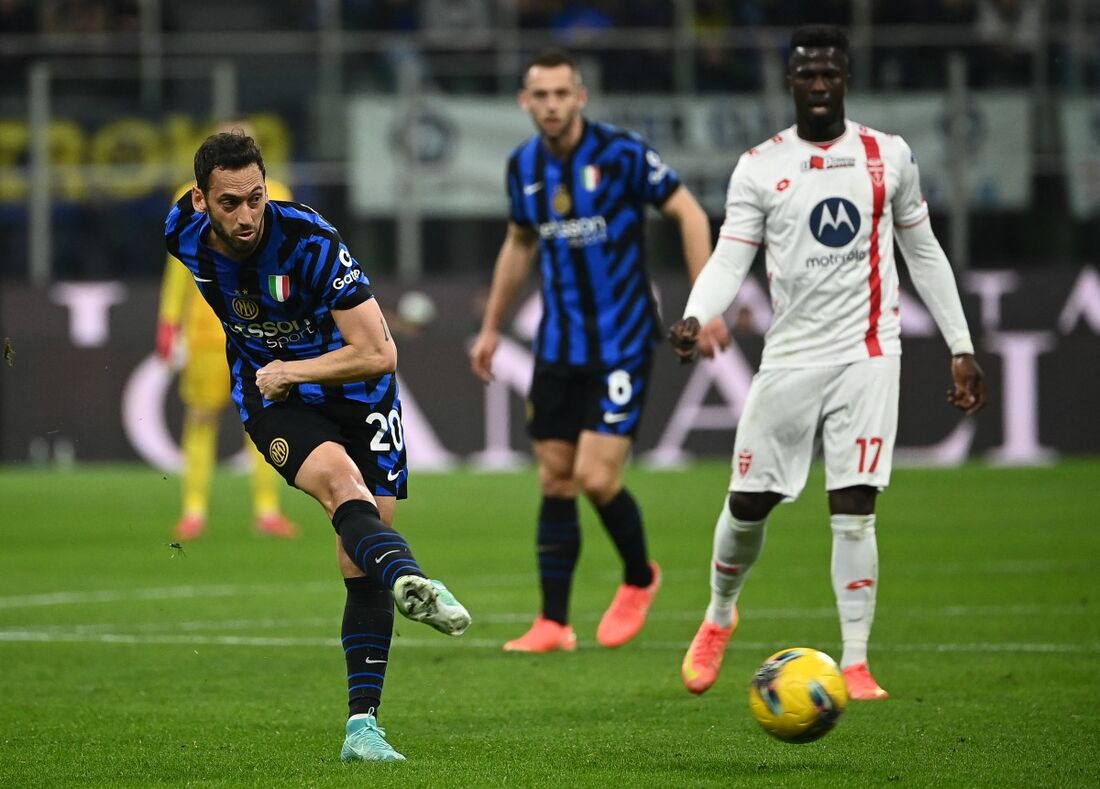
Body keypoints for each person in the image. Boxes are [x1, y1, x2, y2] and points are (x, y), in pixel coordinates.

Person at [668, 25, 986, 700]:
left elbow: (923, 253)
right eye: (807, 74)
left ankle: (857, 659)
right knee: (748, 503)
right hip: (791, 355)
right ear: (791, 80)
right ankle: (720, 612)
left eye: (830, 73)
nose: (819, 84)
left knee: (855, 505)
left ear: (846, 78)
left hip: (870, 351)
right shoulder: (760, 165)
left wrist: (961, 345)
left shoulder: (888, 156)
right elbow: (731, 255)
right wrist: (698, 313)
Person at [164, 130, 470, 762]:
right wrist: (275, 378)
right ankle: (412, 578)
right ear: (200, 201)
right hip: (275, 404)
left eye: (255, 198)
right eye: (230, 204)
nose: (246, 216)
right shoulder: (181, 234)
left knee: (360, 562)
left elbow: (380, 351)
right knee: (342, 489)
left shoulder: (310, 242)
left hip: (360, 394)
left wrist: (293, 369)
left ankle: (362, 727)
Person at [469, 49, 730, 653]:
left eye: (563, 94)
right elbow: (518, 243)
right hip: (558, 347)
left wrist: (704, 302)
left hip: (622, 343)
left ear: (580, 97)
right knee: (556, 479)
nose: (553, 105)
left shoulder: (622, 154)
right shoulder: (524, 166)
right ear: (525, 102)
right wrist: (490, 327)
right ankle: (553, 624)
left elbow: (689, 212)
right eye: (542, 95)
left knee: (594, 477)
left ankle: (640, 576)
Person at [157, 139, 299, 541]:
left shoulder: (280, 196)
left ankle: (267, 509)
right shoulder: (189, 202)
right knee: (202, 417)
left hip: (256, 330)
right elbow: (178, 268)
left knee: (262, 417)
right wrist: (169, 320)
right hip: (204, 329)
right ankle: (194, 509)